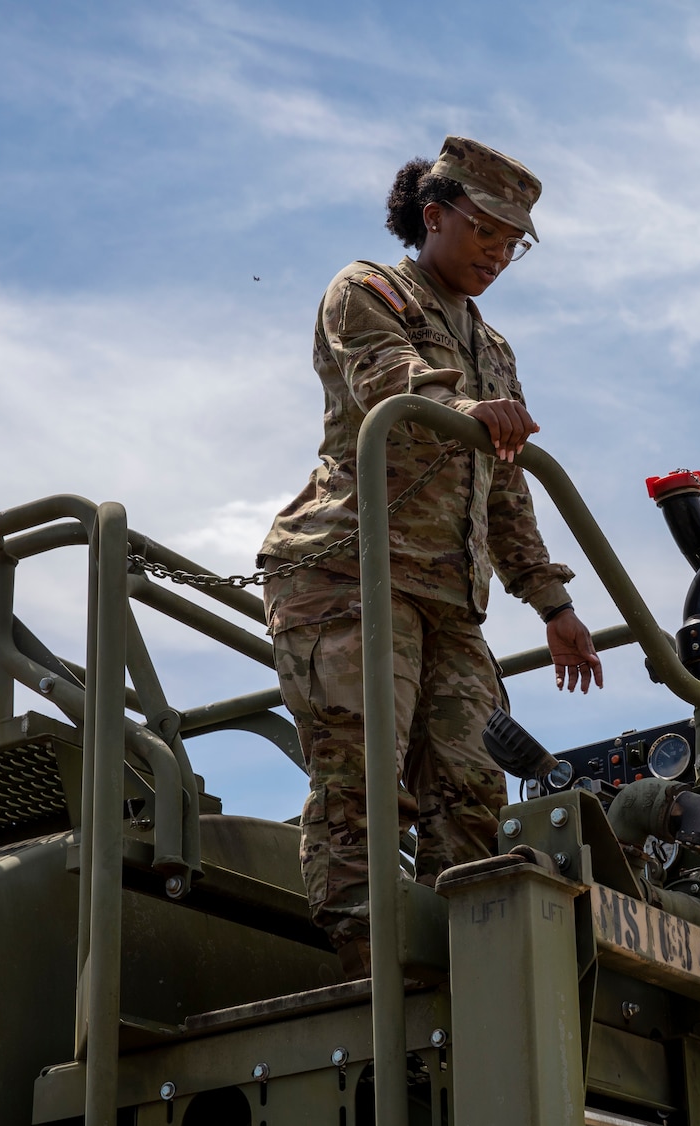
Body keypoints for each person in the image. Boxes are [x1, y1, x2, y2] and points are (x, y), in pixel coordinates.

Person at [257, 136, 603, 980]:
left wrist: (553, 606)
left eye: (512, 240)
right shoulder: (368, 289)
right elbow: (389, 381)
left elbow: (506, 492)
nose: (497, 251)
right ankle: (372, 966)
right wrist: (468, 403)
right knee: (363, 773)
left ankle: (468, 971)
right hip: (348, 571)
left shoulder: (495, 347)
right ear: (434, 213)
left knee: (473, 783)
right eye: (484, 227)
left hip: (451, 599)